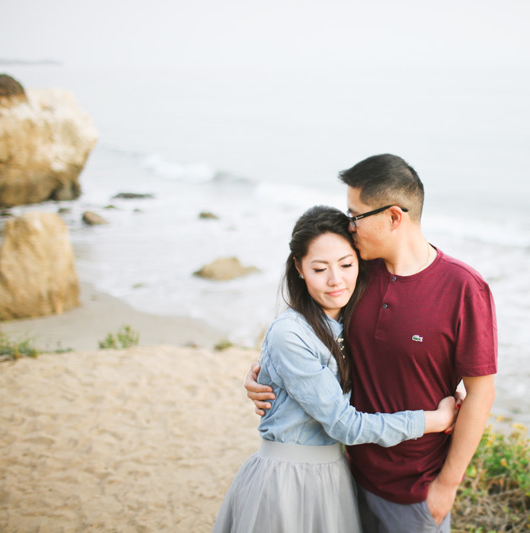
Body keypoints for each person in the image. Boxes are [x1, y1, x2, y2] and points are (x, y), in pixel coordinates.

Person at [246, 155, 498, 533]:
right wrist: (264, 375)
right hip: (347, 475)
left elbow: (481, 393)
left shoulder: (462, 288)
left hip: (415, 490)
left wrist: (447, 485)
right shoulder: (356, 274)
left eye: (356, 215)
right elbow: (313, 340)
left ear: (394, 217)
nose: (350, 226)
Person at [213, 205, 457, 533]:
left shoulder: (351, 322)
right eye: (319, 269)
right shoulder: (291, 332)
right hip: (286, 480)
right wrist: (434, 420)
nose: (335, 281)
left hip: (334, 475)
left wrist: (453, 380)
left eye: (346, 264)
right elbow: (344, 424)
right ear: (299, 268)